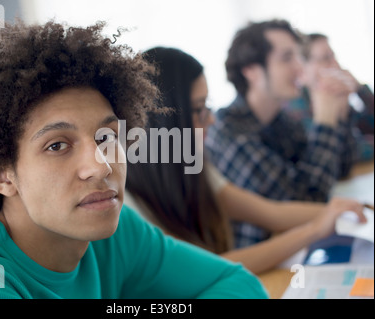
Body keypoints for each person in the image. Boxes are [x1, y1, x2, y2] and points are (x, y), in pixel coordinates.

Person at [0, 21, 268, 299]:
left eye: (108, 137)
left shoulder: (114, 230)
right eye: (57, 146)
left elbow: (240, 285)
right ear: (2, 175)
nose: (102, 165)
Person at [125, 47, 367, 273]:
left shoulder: (191, 163)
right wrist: (315, 228)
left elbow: (272, 211)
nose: (211, 120)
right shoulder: (127, 203)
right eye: (200, 109)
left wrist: (344, 210)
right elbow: (199, 269)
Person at [205, 20, 358, 247]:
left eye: (298, 57)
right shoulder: (229, 133)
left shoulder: (281, 121)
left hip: (297, 249)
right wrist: (325, 121)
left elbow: (341, 169)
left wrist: (339, 111)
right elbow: (307, 201)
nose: (300, 67)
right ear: (251, 71)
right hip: (265, 267)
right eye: (287, 58)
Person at [285, 33, 374, 162]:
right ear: (303, 68)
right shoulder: (294, 106)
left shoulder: (336, 98)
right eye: (326, 58)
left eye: (334, 56)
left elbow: (368, 127)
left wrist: (360, 89)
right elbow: (333, 154)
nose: (336, 64)